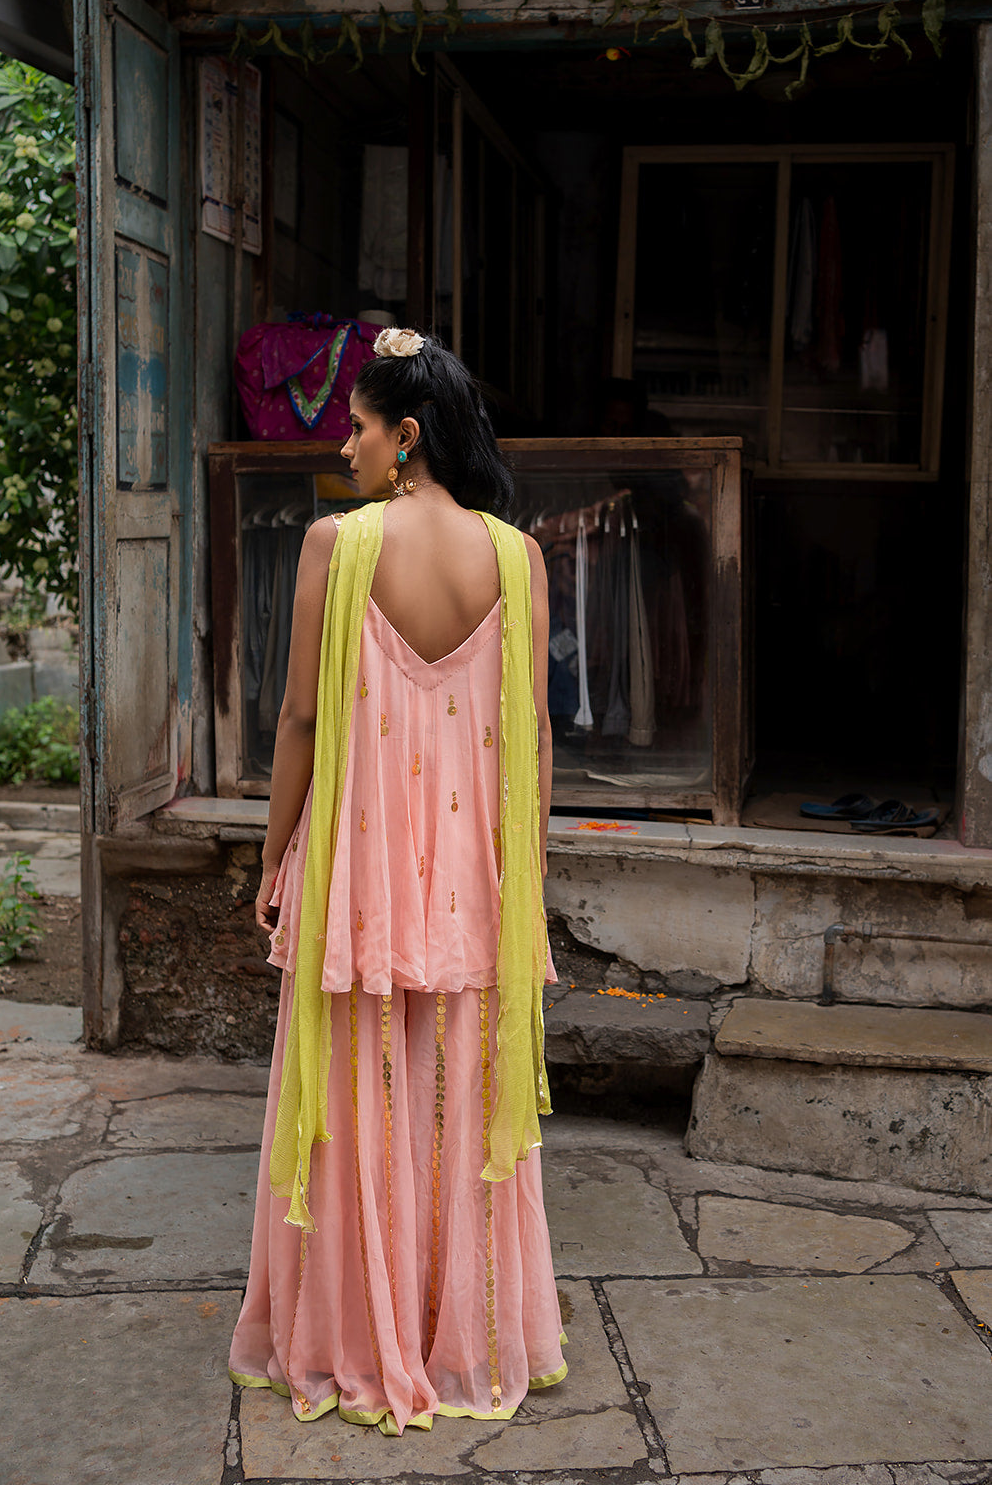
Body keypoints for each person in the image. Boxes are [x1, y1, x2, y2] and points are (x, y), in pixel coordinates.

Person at [227, 326, 567, 1436]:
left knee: (352, 1098)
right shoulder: (517, 560)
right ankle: (458, 1337)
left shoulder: (339, 543)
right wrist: (526, 882)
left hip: (360, 864)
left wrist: (275, 851)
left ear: (405, 435)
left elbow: (300, 721)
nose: (346, 442)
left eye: (360, 425)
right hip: (474, 866)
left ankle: (354, 1337)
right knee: (453, 1100)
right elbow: (534, 745)